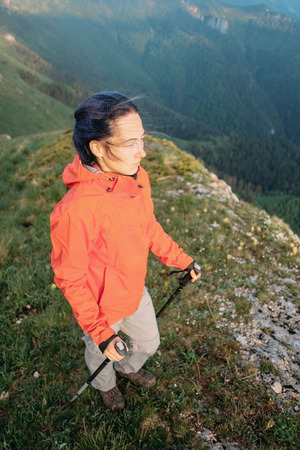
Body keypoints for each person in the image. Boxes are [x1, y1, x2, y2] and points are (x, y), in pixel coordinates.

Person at [50, 91, 202, 411]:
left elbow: (148, 228)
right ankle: (105, 385)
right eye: (130, 142)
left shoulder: (137, 179)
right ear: (98, 148)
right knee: (100, 350)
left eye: (142, 140)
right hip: (102, 306)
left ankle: (127, 368)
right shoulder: (75, 210)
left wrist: (182, 260)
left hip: (135, 291)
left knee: (149, 342)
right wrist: (100, 331)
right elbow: (71, 279)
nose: (142, 152)